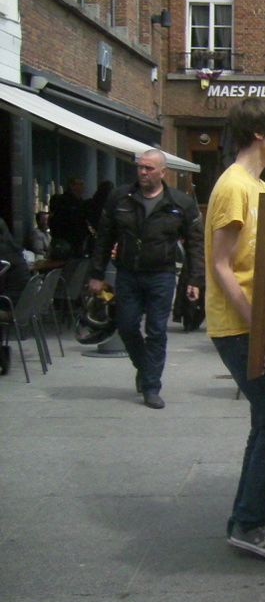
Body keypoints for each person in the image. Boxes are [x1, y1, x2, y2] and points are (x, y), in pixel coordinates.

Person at [206, 99, 265, 562]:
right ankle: (248, 523)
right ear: (259, 132)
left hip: (250, 324)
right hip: (239, 327)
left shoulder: (257, 185)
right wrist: (254, 323)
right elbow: (221, 264)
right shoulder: (234, 187)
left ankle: (247, 520)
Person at [88, 150, 204, 409]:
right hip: (128, 273)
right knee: (127, 326)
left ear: (163, 172)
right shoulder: (120, 198)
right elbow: (104, 238)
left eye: (149, 168)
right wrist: (96, 274)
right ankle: (145, 367)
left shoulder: (180, 203)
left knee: (156, 331)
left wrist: (195, 280)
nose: (143, 172)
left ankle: (151, 386)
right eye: (140, 167)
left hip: (161, 275)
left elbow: (196, 244)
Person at [48, 178, 90, 257]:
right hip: (65, 239)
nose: (83, 187)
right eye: (80, 184)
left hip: (78, 240)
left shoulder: (81, 202)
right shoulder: (63, 201)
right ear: (72, 186)